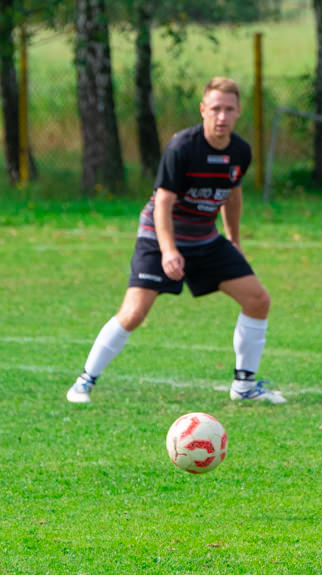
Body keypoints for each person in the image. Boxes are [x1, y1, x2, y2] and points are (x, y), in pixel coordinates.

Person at [67, 77, 284, 405]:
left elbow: (232, 194)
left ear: (239, 111)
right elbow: (164, 202)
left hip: (205, 239)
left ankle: (244, 385)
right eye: (215, 109)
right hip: (158, 236)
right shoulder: (183, 147)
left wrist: (234, 240)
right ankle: (84, 381)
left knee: (258, 300)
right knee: (134, 312)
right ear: (203, 110)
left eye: (228, 109)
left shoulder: (240, 151)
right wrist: (168, 251)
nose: (221, 116)